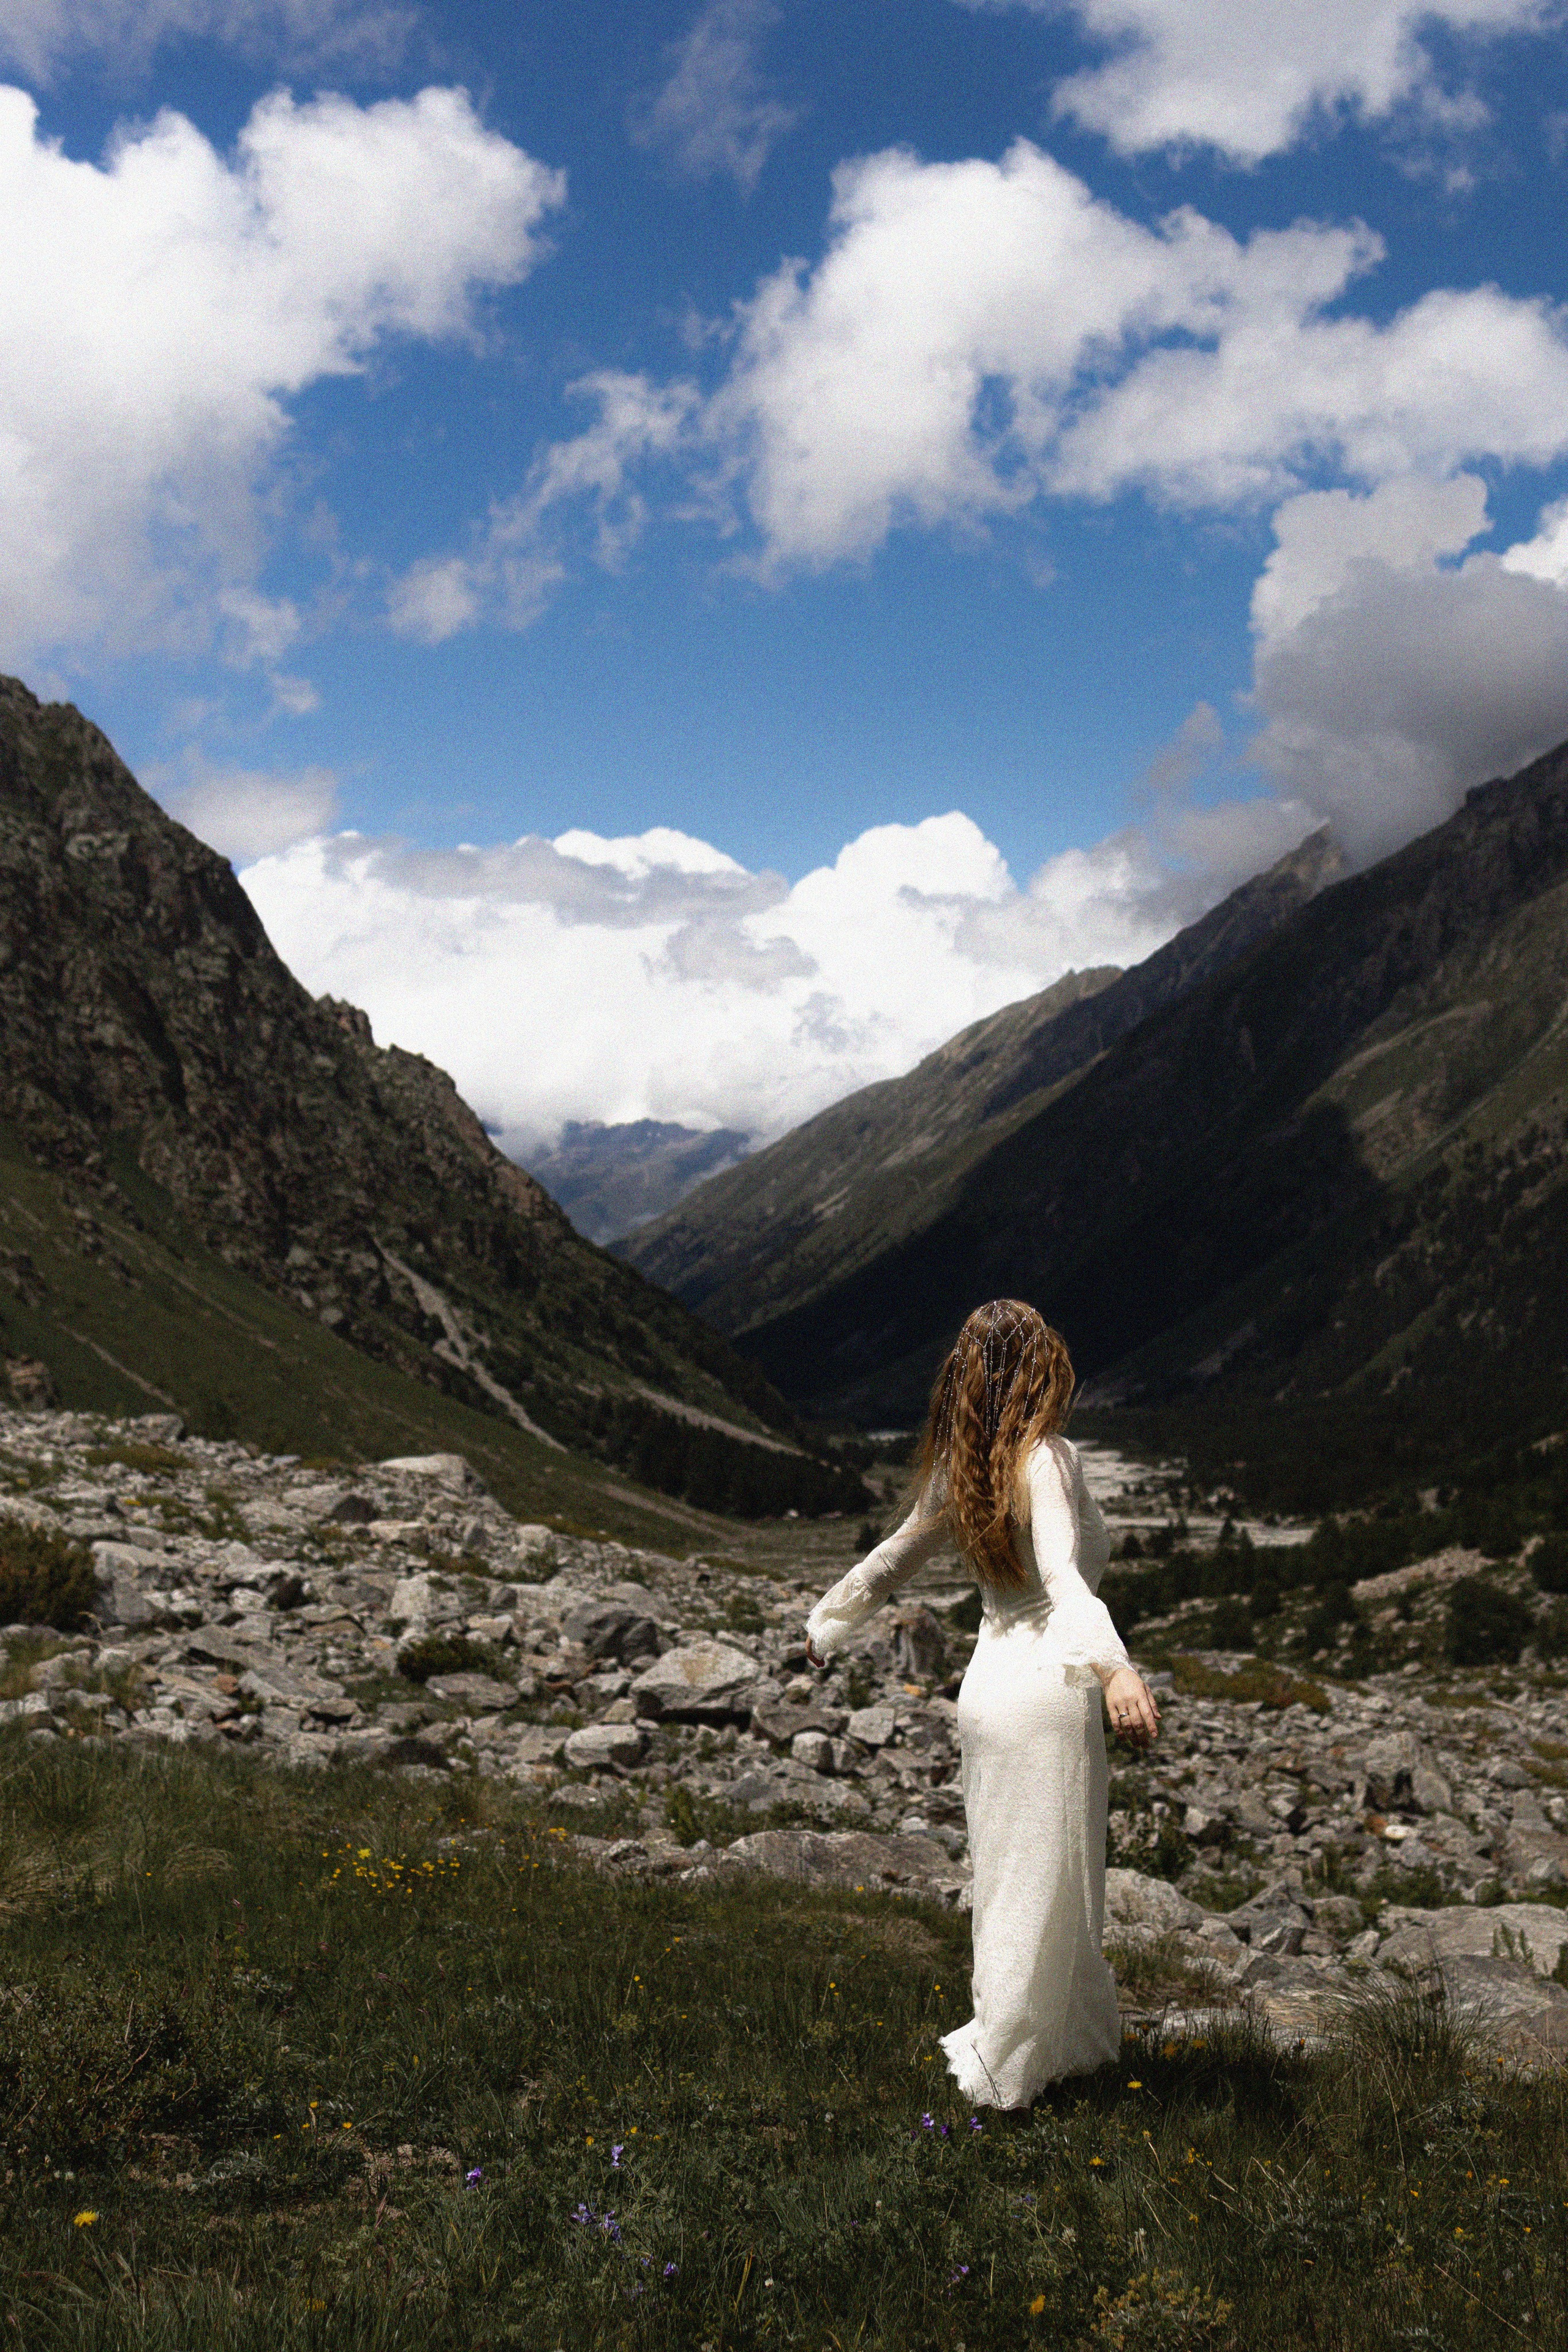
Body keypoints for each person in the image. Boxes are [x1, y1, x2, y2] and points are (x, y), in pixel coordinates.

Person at [804, 1298, 1158, 2110]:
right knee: (1057, 1882)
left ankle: (1051, 2051)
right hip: (1048, 1693)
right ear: (1046, 1368)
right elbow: (1064, 1577)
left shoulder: (963, 1470)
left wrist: (824, 1626)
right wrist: (1116, 1672)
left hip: (987, 1692)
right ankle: (1011, 2069)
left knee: (1010, 1880)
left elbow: (891, 1561)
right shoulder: (1048, 1459)